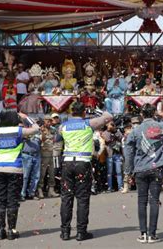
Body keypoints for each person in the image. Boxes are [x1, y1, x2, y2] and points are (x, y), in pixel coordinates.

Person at [124, 104, 163, 243]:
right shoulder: (161, 126)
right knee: (154, 201)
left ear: (141, 114)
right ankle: (152, 234)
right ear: (154, 113)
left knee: (141, 201)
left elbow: (128, 153)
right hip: (156, 167)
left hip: (140, 169)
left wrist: (128, 172)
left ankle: (143, 234)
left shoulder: (135, 131)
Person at [55, 101, 113, 241]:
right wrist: (97, 111)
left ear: (71, 112)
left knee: (66, 198)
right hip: (83, 163)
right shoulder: (89, 123)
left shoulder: (62, 126)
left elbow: (57, 142)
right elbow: (108, 116)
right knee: (82, 198)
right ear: (83, 113)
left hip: (67, 163)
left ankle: (65, 232)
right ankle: (81, 232)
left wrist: (57, 165)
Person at [0, 109, 39, 240]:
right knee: (12, 200)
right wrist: (25, 117)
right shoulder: (18, 131)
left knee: (1, 200)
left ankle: (0, 230)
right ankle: (11, 230)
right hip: (15, 169)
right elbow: (36, 128)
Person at [37, 115, 59, 199]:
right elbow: (41, 140)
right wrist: (43, 132)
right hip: (44, 154)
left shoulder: (53, 130)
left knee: (52, 173)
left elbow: (55, 140)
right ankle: (40, 190)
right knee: (42, 173)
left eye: (50, 121)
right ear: (44, 121)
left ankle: (51, 190)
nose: (49, 122)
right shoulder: (40, 130)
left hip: (52, 153)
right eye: (47, 121)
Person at [20, 124, 42, 201]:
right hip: (26, 155)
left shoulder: (39, 133)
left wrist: (43, 133)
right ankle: (22, 194)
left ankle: (31, 193)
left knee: (36, 176)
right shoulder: (25, 132)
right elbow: (25, 138)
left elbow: (42, 140)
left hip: (37, 155)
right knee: (25, 176)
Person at [101, 120, 124, 192]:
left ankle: (120, 186)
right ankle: (110, 187)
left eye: (112, 125)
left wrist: (115, 131)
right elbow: (108, 140)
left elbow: (121, 138)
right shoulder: (105, 133)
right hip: (109, 154)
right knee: (109, 172)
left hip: (117, 154)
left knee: (119, 172)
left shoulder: (117, 131)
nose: (110, 126)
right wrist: (113, 135)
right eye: (109, 124)